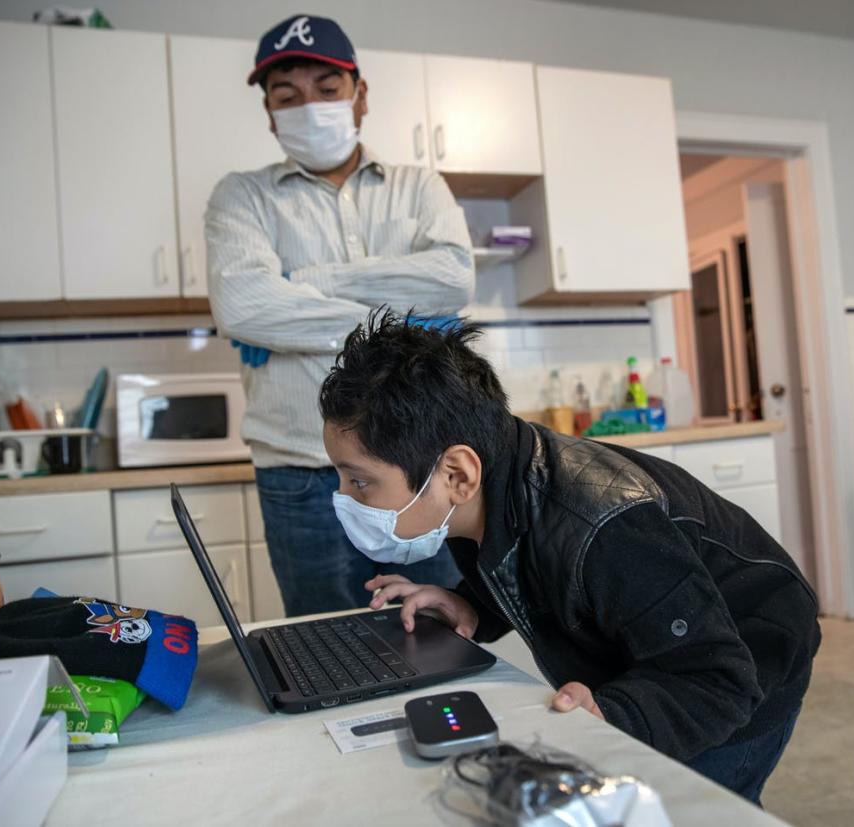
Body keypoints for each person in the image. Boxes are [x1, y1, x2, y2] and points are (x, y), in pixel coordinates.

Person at [318, 310, 822, 806]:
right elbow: (531, 563)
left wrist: (611, 713)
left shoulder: (608, 529)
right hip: (654, 654)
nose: (343, 498)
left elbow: (719, 681)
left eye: (360, 481)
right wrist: (470, 605)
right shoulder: (480, 488)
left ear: (456, 474)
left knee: (699, 804)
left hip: (742, 666)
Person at [205, 15, 474, 615]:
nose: (310, 106)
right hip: (301, 472)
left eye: (327, 89)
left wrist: (308, 286)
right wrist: (405, 321)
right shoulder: (241, 195)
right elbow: (243, 305)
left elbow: (454, 277)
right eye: (288, 96)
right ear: (270, 114)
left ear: (360, 96)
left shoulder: (419, 185)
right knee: (326, 641)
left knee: (442, 625)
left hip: (420, 463)